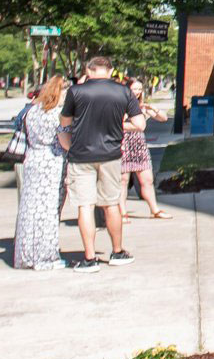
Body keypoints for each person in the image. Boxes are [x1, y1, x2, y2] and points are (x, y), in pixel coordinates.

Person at [58, 56, 145, 268]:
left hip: (81, 156)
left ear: (88, 70)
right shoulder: (123, 91)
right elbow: (140, 123)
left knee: (85, 206)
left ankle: (89, 258)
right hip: (111, 155)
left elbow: (64, 123)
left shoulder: (76, 92)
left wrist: (70, 144)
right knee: (111, 204)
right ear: (111, 70)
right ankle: (117, 252)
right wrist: (119, 126)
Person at [12, 74, 70, 271]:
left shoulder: (32, 112)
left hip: (33, 159)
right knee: (49, 211)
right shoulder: (57, 115)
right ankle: (46, 256)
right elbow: (64, 142)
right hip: (52, 163)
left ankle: (27, 254)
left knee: (30, 209)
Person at [121, 76, 172, 220]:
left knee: (147, 180)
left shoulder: (142, 106)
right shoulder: (120, 105)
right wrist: (133, 126)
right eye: (134, 89)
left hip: (139, 146)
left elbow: (163, 118)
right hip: (123, 145)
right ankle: (122, 213)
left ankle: (154, 210)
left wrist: (153, 108)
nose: (137, 92)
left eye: (139, 89)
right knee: (123, 181)